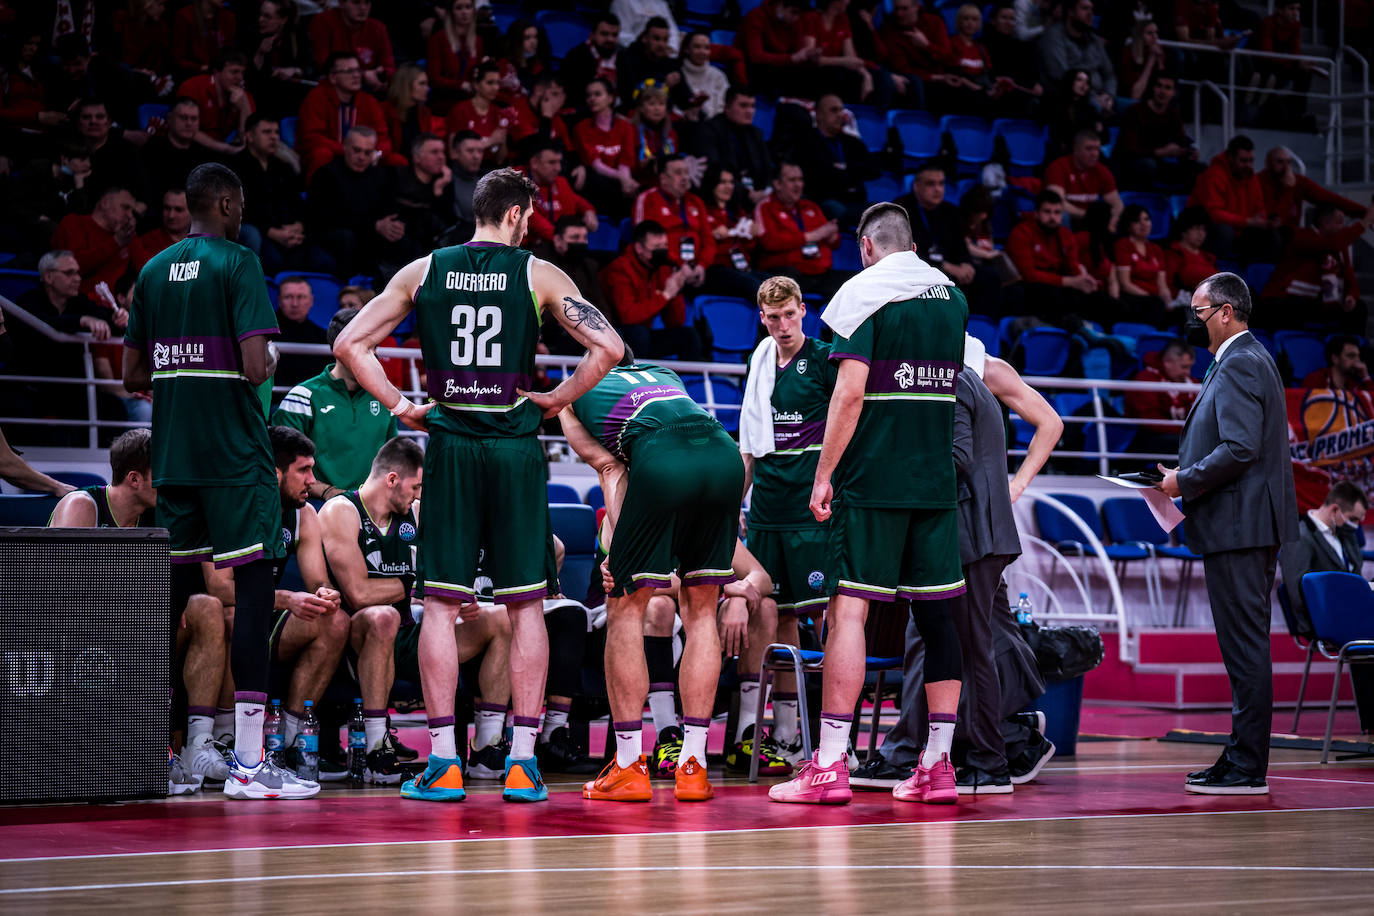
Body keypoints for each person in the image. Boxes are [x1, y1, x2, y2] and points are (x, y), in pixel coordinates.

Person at [332, 167, 623, 803]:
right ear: (517, 216)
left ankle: (442, 762)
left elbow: (351, 342)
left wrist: (402, 405)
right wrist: (555, 399)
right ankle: (522, 761)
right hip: (516, 449)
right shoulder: (536, 273)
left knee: (439, 604)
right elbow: (610, 347)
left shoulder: (425, 270)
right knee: (525, 607)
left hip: (452, 449)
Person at [121, 162, 316, 799]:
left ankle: (160, 755)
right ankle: (251, 764)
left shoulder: (151, 269)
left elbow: (131, 376)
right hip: (236, 461)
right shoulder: (238, 263)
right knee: (254, 597)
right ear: (229, 205)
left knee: (168, 608)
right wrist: (264, 355)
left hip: (174, 460)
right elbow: (259, 368)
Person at [769, 202, 968, 806]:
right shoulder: (953, 298)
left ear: (866, 247)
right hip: (934, 482)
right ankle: (937, 767)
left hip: (872, 481)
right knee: (937, 618)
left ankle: (828, 765)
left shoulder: (862, 294)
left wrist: (823, 473)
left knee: (848, 610)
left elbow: (850, 393)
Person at [559, 354, 743, 802]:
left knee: (625, 609)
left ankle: (627, 767)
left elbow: (610, 469)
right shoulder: (667, 375)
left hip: (662, 458)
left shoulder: (574, 391)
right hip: (724, 454)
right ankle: (694, 768)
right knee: (701, 612)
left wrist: (619, 553)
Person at [1157, 272, 1299, 794]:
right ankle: (1241, 756)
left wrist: (1181, 481)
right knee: (1244, 648)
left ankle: (1246, 766)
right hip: (1242, 525)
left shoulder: (1240, 362)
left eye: (1197, 311)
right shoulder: (1244, 360)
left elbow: (1240, 448)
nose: (1191, 321)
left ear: (1225, 312)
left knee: (1244, 649)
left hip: (1241, 527)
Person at [47, 427, 231, 792]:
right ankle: (139, 750)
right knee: (141, 626)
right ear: (134, 478)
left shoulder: (160, 517)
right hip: (70, 639)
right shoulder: (83, 505)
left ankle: (198, 745)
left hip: (134, 628)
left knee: (207, 608)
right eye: (162, 474)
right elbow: (58, 596)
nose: (171, 483)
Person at [740, 277, 837, 765]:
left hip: (811, 507)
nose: (781, 326)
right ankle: (784, 734)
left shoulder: (822, 359)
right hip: (767, 509)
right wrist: (734, 506)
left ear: (804, 311)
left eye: (789, 315)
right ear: (762, 318)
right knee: (775, 616)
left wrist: (832, 481)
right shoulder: (758, 364)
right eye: (772, 318)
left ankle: (831, 738)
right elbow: (748, 449)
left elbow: (847, 423)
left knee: (824, 617)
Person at [261, 426, 350, 781]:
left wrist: (326, 593)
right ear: (275, 472)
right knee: (219, 613)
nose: (312, 482)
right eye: (304, 471)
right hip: (234, 614)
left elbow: (317, 582)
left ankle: (293, 740)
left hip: (269, 615)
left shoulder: (304, 514)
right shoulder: (239, 507)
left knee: (336, 619)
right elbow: (218, 589)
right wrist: (286, 598)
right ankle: (218, 738)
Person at [273, 307, 399, 497]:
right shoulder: (302, 398)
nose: (373, 354)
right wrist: (330, 494)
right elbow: (283, 470)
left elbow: (394, 464)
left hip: (371, 509)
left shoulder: (386, 397)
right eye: (365, 346)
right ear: (340, 348)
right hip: (315, 507)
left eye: (374, 346)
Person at [1280, 481, 1374, 732]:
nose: (1355, 525)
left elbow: (1354, 574)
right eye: (1352, 518)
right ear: (1335, 510)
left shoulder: (1345, 535)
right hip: (1319, 620)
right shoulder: (1299, 535)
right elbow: (1298, 592)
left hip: (1352, 615)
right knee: (1365, 638)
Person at [897, 163, 1000, 315]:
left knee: (990, 277)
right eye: (930, 184)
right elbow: (903, 252)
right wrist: (948, 267)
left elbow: (961, 248)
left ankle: (982, 327)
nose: (938, 189)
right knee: (946, 280)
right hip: (919, 269)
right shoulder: (900, 210)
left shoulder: (951, 211)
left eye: (941, 183)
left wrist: (967, 264)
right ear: (916, 186)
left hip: (951, 267)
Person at [305, 127, 409, 277]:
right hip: (335, 233)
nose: (361, 157)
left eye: (367, 153)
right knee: (347, 239)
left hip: (370, 231)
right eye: (357, 150)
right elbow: (325, 218)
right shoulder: (326, 175)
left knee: (403, 240)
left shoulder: (380, 176)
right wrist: (374, 225)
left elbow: (390, 209)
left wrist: (394, 225)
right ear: (345, 146)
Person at [1262, 203, 1374, 334]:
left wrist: (1351, 296)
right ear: (1325, 222)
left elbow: (1350, 278)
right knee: (1296, 305)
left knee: (1358, 308)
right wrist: (1364, 223)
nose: (1343, 227)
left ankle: (1350, 348)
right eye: (1339, 222)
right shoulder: (1302, 236)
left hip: (1315, 301)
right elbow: (1330, 244)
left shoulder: (1340, 247)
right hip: (1287, 298)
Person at [600, 220, 702, 361]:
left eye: (665, 246)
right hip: (613, 336)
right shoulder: (620, 269)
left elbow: (675, 322)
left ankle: (691, 382)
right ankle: (637, 381)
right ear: (639, 248)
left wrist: (676, 292)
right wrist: (665, 296)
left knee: (688, 336)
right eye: (657, 246)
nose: (662, 251)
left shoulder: (661, 268)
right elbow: (628, 317)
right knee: (639, 333)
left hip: (643, 338)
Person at [1006, 190, 1103, 324]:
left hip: (1059, 285)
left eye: (1057, 212)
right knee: (1054, 295)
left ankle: (1101, 337)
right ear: (1036, 213)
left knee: (1098, 298)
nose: (1053, 217)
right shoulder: (1021, 233)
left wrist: (1084, 278)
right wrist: (1071, 281)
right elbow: (1029, 275)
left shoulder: (1065, 235)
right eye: (1047, 212)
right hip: (1032, 287)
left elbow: (1073, 268)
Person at [232, 114, 311, 274]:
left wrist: (298, 226)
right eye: (267, 132)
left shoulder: (283, 167)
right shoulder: (236, 166)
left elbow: (297, 202)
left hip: (286, 233)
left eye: (276, 132)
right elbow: (238, 210)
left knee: (318, 261)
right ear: (250, 136)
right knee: (272, 261)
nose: (274, 137)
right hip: (260, 233)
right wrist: (272, 232)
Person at [297, 51, 396, 179]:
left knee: (396, 161)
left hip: (362, 156)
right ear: (333, 77)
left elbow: (384, 140)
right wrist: (347, 151)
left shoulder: (369, 101)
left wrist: (377, 153)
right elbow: (311, 138)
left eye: (357, 70)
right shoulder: (316, 98)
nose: (356, 75)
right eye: (349, 71)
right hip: (332, 156)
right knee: (321, 154)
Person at [753, 163, 842, 298]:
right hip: (787, 273)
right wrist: (810, 236)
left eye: (800, 180)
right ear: (777, 184)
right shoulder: (765, 207)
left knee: (856, 283)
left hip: (819, 272)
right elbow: (769, 242)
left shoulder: (810, 207)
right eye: (792, 180)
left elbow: (835, 243)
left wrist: (833, 236)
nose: (798, 185)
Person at [1187, 135, 1279, 263]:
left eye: (1251, 160)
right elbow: (1213, 214)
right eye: (1243, 161)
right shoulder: (1213, 176)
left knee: (1271, 235)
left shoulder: (1250, 177)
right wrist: (1247, 222)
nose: (1248, 165)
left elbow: (1259, 208)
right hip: (1208, 230)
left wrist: (1265, 222)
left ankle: (1259, 278)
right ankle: (1216, 275)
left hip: (1239, 230)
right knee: (1224, 232)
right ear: (1230, 158)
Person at [797, 94, 878, 228]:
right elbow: (815, 174)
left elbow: (873, 170)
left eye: (841, 110)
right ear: (818, 115)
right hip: (824, 201)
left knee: (884, 213)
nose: (840, 114)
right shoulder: (806, 142)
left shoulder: (853, 142)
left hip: (855, 200)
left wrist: (843, 168)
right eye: (834, 110)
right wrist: (847, 171)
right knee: (836, 210)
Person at [631, 154, 712, 285]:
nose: (685, 178)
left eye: (686, 172)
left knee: (742, 284)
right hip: (663, 268)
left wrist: (701, 266)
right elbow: (644, 242)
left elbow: (709, 241)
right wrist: (679, 264)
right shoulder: (647, 199)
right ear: (663, 178)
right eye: (678, 173)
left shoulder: (696, 202)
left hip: (697, 269)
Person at [1113, 72, 1202, 191]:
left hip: (1159, 164)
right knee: (1148, 166)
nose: (1162, 91)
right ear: (1152, 88)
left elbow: (1181, 140)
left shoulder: (1173, 114)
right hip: (1131, 165)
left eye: (1167, 88)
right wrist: (1160, 152)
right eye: (1159, 86)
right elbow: (1129, 150)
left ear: (1173, 92)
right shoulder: (1134, 112)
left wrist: (1190, 151)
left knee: (1199, 169)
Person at [50, 187, 137, 300]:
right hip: (77, 303)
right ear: (105, 203)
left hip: (114, 309)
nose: (130, 215)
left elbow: (145, 267)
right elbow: (75, 267)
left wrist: (132, 238)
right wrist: (116, 243)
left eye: (132, 211)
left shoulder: (125, 237)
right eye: (125, 208)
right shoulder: (74, 223)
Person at [691, 88, 773, 209]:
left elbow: (767, 169)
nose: (750, 111)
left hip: (757, 199)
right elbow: (713, 172)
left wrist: (766, 191)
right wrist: (747, 193)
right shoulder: (709, 131)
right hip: (723, 201)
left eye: (752, 106)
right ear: (727, 107)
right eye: (743, 106)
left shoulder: (756, 133)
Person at [572, 77, 639, 215]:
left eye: (597, 94)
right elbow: (596, 165)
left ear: (610, 98)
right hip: (598, 182)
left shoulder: (625, 127)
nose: (592, 99)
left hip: (620, 183)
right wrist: (623, 179)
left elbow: (625, 163)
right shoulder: (582, 128)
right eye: (589, 95)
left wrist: (626, 182)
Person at [1258, 147, 1366, 230]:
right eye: (1280, 162)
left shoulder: (1298, 181)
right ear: (1268, 163)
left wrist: (1364, 212)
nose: (1286, 167)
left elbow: (1330, 198)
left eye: (1288, 162)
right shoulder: (1259, 182)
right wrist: (1288, 189)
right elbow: (1275, 221)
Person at [1038, 0, 1117, 112]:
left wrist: (1109, 96)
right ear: (1071, 12)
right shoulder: (1053, 38)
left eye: (1091, 9)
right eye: (1084, 8)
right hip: (1071, 100)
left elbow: (1109, 74)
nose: (1090, 13)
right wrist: (1095, 99)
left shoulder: (1094, 40)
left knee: (1133, 108)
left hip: (1103, 98)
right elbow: (1063, 78)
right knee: (1095, 111)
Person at [1125, 339, 1199, 455]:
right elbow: (1149, 420)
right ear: (1167, 362)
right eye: (1184, 367)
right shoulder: (1145, 379)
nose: (1187, 372)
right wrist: (1185, 431)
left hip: (1178, 434)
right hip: (1145, 437)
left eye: (1190, 367)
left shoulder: (1191, 382)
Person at [138, 98, 214, 205]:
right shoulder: (152, 149)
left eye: (194, 119)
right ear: (170, 119)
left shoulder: (205, 154)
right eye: (183, 118)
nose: (189, 123)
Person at [309, 0, 395, 92]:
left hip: (371, 86)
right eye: (356, 2)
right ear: (341, 4)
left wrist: (382, 74)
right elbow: (323, 63)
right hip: (334, 86)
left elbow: (389, 65)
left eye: (367, 3)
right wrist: (362, 74)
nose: (363, 8)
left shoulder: (377, 27)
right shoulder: (323, 21)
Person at [1044, 130, 1122, 230]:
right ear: (1076, 149)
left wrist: (1114, 218)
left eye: (1098, 149)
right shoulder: (1058, 167)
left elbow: (1117, 203)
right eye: (1089, 149)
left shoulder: (1102, 170)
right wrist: (1089, 216)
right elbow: (1057, 203)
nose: (1094, 153)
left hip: (1091, 222)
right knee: (1062, 216)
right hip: (1071, 220)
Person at [445, 61, 518, 167]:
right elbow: (453, 154)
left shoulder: (498, 113)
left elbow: (500, 160)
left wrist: (502, 142)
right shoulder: (460, 111)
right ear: (476, 84)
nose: (495, 88)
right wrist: (489, 142)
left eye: (498, 83)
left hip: (490, 170)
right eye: (490, 83)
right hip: (464, 173)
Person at [524, 140, 597, 244]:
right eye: (552, 162)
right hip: (528, 248)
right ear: (534, 163)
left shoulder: (560, 182)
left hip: (557, 242)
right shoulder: (516, 182)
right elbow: (532, 219)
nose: (558, 168)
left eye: (559, 162)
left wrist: (589, 211)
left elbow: (575, 200)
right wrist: (562, 239)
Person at [177, 49, 256, 143]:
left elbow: (249, 141)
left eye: (242, 73)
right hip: (191, 147)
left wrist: (244, 107)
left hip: (224, 151)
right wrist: (224, 149)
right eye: (234, 72)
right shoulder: (192, 87)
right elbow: (184, 131)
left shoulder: (244, 96)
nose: (240, 78)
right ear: (216, 72)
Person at [1113, 204, 1172, 327]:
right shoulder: (1123, 245)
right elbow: (1125, 284)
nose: (1144, 224)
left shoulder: (1156, 249)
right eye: (1137, 221)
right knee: (1155, 306)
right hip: (1133, 297)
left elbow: (1162, 285)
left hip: (1154, 299)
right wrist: (1151, 297)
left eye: (1146, 219)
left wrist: (1167, 300)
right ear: (1128, 225)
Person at [559, 13, 629, 106]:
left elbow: (628, 94)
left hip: (617, 112)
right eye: (604, 34)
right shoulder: (576, 57)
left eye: (614, 35)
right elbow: (572, 94)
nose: (610, 39)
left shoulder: (624, 57)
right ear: (592, 35)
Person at [427, 0, 482, 111]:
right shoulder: (439, 39)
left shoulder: (478, 41)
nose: (464, 12)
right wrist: (460, 85)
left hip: (469, 104)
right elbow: (434, 78)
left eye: (468, 7)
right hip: (443, 104)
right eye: (459, 8)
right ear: (451, 12)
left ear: (473, 11)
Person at [131, 190, 192, 274]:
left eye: (178, 210)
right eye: (167, 208)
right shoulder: (146, 241)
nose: (171, 215)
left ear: (192, 212)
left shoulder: (201, 243)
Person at [1166, 206, 1217, 300]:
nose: (1201, 234)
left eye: (1203, 229)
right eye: (1197, 228)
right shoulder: (1174, 253)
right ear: (1184, 231)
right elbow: (1168, 285)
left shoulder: (1208, 257)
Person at [1301, 335, 1374, 394]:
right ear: (1335, 358)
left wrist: (1365, 377)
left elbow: (1370, 404)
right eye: (1351, 356)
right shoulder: (1315, 380)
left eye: (1358, 356)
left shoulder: (1354, 385)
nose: (1357, 360)